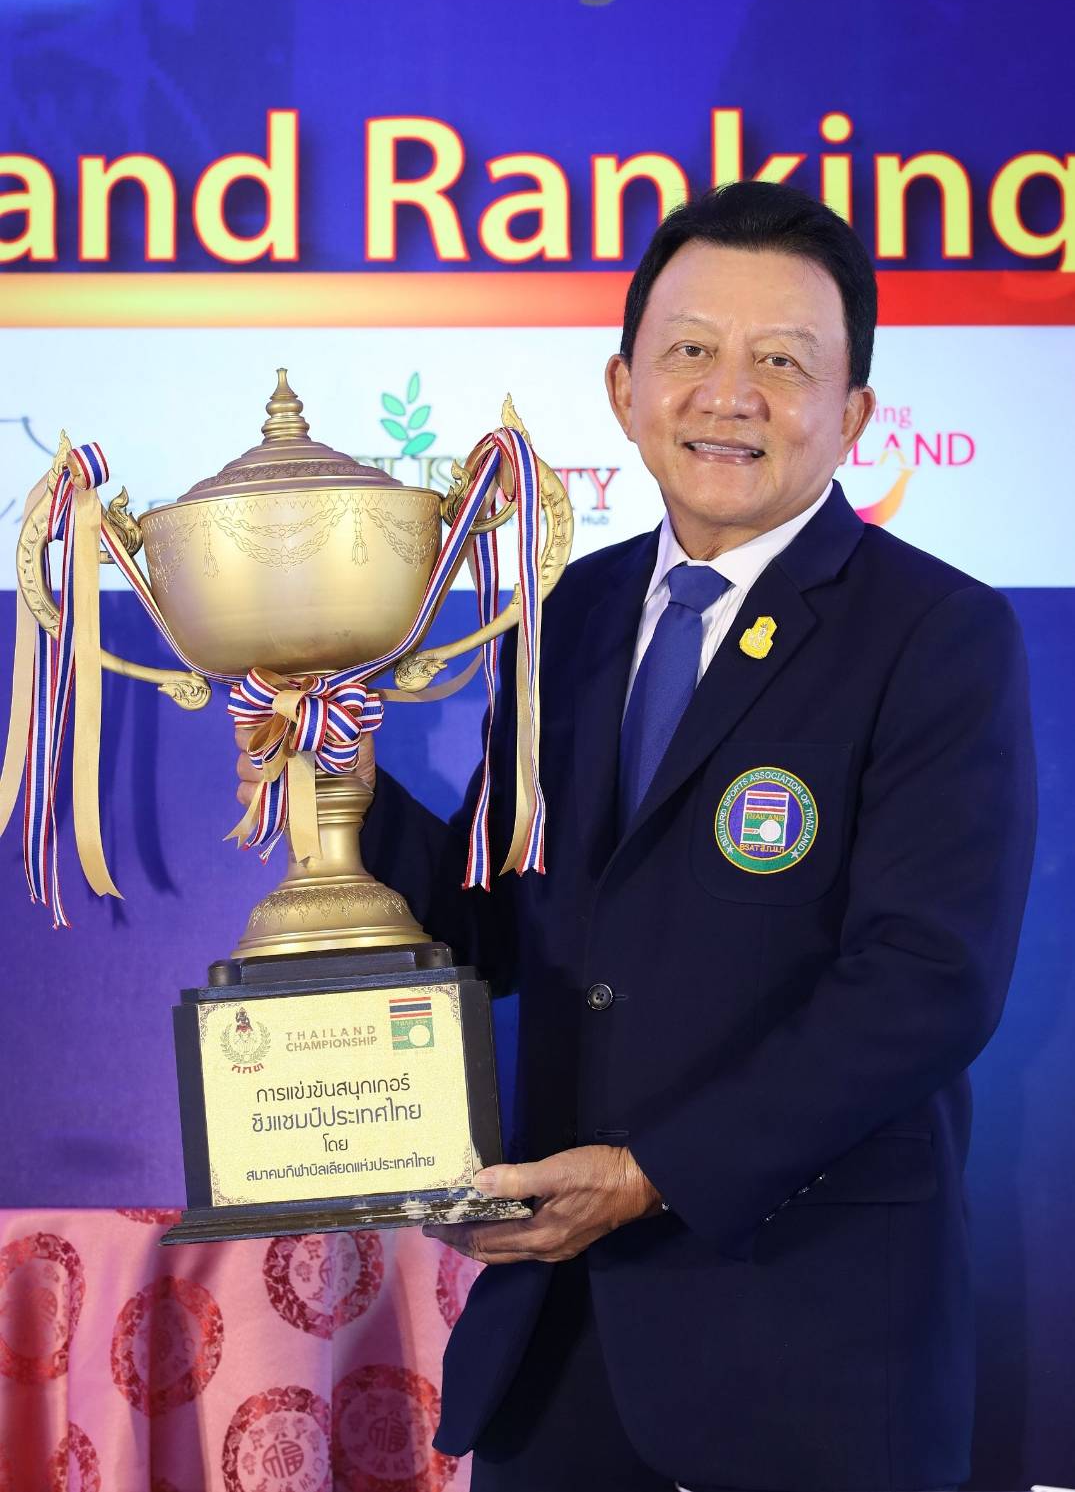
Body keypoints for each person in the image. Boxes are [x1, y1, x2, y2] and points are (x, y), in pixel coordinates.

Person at [237, 182, 1037, 1492]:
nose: (730, 394)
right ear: (623, 388)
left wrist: (652, 1172)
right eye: (691, 350)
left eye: (783, 362)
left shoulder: (937, 635)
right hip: (560, 1354)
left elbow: (927, 983)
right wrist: (350, 794)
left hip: (814, 1358)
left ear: (854, 415)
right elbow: (501, 918)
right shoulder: (569, 614)